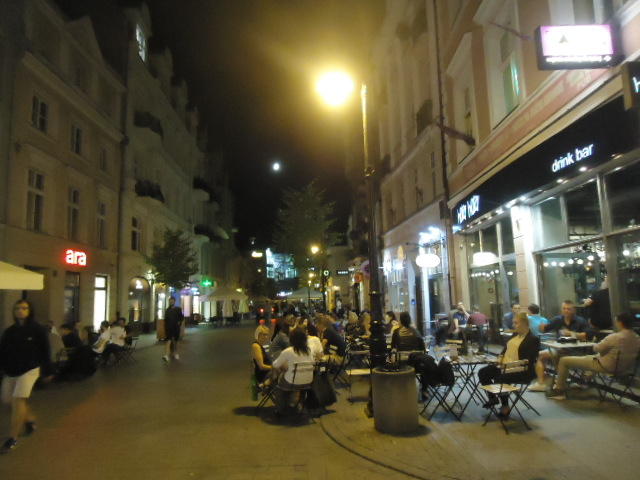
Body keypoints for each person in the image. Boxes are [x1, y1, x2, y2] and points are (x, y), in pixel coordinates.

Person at [546, 312, 640, 399]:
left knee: (564, 360)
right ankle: (584, 380)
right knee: (588, 358)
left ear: (620, 323)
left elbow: (596, 348)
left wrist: (595, 342)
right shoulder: (637, 338)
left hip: (605, 366)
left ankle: (559, 390)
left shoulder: (615, 337)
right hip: (625, 369)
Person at [0, 299, 52, 454]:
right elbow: (2, 351)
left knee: (18, 400)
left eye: (24, 308)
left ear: (30, 311)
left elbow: (45, 351)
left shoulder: (37, 330)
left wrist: (48, 371)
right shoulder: (9, 331)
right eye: (17, 308)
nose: (20, 311)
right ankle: (29, 420)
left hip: (29, 370)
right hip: (11, 371)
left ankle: (13, 438)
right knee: (7, 400)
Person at [478, 313, 540, 418]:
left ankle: (505, 406)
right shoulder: (515, 335)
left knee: (500, 378)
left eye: (516, 323)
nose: (513, 325)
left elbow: (528, 361)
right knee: (483, 372)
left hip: (522, 370)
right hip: (506, 366)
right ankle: (493, 398)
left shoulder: (533, 339)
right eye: (513, 323)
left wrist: (509, 365)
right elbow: (505, 349)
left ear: (524, 323)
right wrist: (500, 358)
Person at [529, 300, 588, 391]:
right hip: (559, 349)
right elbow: (544, 329)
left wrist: (571, 333)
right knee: (540, 355)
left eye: (568, 309)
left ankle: (562, 381)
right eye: (564, 308)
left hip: (576, 351)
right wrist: (541, 327)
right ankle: (541, 383)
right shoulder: (558, 319)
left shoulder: (581, 321)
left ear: (574, 310)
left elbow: (587, 335)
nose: (566, 311)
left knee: (560, 357)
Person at [272, 328, 316, 414]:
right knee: (298, 383)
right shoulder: (309, 351)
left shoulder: (288, 351)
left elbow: (275, 364)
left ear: (291, 339)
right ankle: (298, 404)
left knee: (278, 383)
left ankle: (280, 408)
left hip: (291, 383)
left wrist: (284, 365)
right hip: (308, 382)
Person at [163, 297, 183, 362]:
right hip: (169, 328)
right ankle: (166, 355)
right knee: (168, 341)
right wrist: (165, 328)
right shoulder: (167, 310)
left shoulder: (178, 309)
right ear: (169, 301)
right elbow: (165, 320)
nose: (171, 302)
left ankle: (176, 353)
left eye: (172, 301)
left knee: (175, 342)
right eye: (170, 301)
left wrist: (179, 324)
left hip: (176, 328)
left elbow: (181, 318)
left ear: (174, 301)